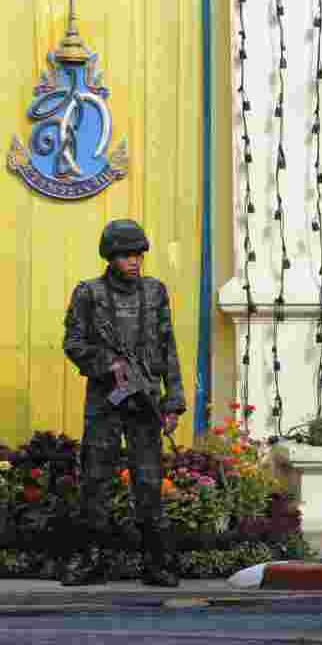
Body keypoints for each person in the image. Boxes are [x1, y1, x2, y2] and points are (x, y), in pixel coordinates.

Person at [61, 219, 186, 586]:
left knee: (148, 481)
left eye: (138, 254)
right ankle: (90, 560)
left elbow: (168, 347)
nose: (134, 261)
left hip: (144, 401)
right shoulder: (89, 293)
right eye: (126, 255)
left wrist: (173, 402)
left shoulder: (155, 292)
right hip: (105, 400)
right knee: (96, 479)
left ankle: (156, 562)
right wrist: (108, 364)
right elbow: (73, 343)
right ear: (110, 256)